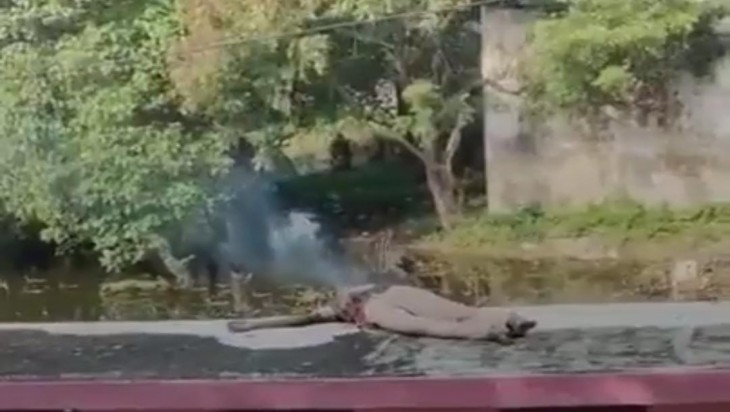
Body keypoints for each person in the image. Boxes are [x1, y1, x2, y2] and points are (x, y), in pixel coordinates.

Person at [227, 284, 537, 344]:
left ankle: (502, 325)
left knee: (446, 317)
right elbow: (298, 319)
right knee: (441, 320)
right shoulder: (333, 306)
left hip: (386, 301)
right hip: (383, 301)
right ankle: (502, 323)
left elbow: (300, 319)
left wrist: (253, 323)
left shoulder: (342, 297)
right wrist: (253, 323)